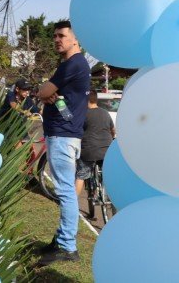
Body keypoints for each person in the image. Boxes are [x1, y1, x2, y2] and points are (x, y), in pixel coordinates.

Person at [36, 20, 90, 265]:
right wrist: (49, 95)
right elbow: (53, 97)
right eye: (55, 36)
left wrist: (46, 93)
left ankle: (68, 246)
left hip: (63, 135)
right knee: (65, 189)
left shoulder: (73, 63)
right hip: (65, 132)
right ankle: (61, 241)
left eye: (61, 35)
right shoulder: (74, 65)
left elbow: (43, 91)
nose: (57, 39)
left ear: (75, 39)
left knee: (66, 191)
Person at [75, 90, 116, 197]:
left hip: (88, 151)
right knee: (107, 174)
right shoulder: (105, 112)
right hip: (106, 151)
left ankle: (73, 204)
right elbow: (113, 130)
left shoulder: (82, 114)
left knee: (81, 175)